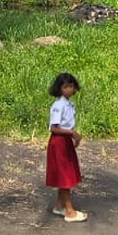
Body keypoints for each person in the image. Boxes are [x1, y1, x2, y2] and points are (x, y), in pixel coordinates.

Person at [46, 72, 86, 222]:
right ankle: (70, 211)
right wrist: (72, 133)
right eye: (65, 87)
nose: (68, 89)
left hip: (66, 141)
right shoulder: (58, 105)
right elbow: (54, 128)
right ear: (59, 89)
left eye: (71, 86)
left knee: (66, 173)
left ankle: (59, 205)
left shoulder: (70, 104)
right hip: (59, 142)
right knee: (64, 176)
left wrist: (73, 137)